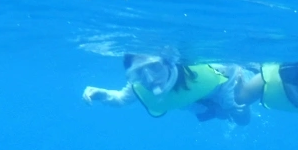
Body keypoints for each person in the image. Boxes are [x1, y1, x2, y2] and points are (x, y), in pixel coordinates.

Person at [82, 51, 252, 126]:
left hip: (223, 88)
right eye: (139, 73)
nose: (149, 79)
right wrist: (100, 94)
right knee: (226, 118)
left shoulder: (192, 66)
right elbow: (120, 99)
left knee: (242, 120)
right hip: (202, 103)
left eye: (154, 67)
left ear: (168, 61)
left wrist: (227, 102)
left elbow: (231, 67)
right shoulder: (141, 85)